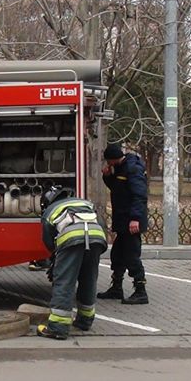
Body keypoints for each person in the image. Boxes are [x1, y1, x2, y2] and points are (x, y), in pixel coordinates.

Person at [36, 186, 108, 340]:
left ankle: (58, 327)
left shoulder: (50, 211)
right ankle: (85, 321)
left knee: (64, 282)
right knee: (88, 279)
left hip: (72, 240)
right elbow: (101, 222)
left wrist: (56, 260)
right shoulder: (84, 203)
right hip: (96, 238)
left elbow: (48, 242)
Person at [98, 143, 150, 304]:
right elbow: (117, 188)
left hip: (131, 221)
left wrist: (135, 218)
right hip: (123, 220)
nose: (108, 164)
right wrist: (107, 176)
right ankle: (116, 288)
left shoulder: (132, 168)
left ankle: (141, 291)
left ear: (113, 159)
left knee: (131, 255)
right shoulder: (120, 168)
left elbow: (139, 195)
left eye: (108, 162)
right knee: (118, 255)